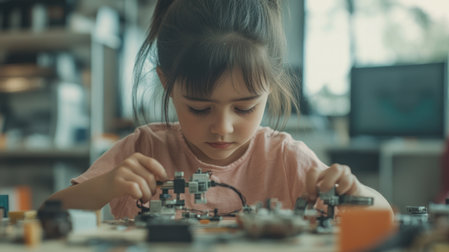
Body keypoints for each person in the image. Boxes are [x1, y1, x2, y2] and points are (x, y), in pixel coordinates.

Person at [46, 0, 392, 219]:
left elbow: (385, 217)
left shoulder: (286, 159)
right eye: (199, 108)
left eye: (244, 107)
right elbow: (50, 213)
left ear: (269, 87)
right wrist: (105, 187)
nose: (222, 127)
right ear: (166, 83)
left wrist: (356, 193)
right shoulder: (142, 149)